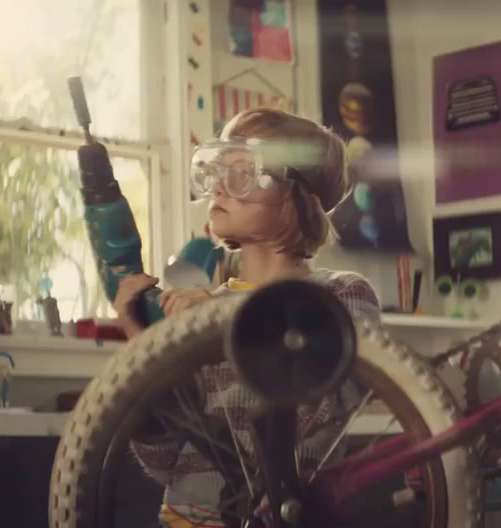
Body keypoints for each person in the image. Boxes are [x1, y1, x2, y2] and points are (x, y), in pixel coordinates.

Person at [113, 108, 381, 526]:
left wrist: (225, 317)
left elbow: (327, 406)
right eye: (215, 170)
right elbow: (165, 460)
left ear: (298, 197)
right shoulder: (198, 313)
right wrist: (144, 355)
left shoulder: (341, 296)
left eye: (241, 172)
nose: (217, 188)